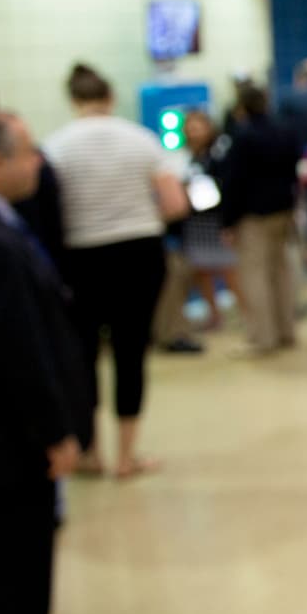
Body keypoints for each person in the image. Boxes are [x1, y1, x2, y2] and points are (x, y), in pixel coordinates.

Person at [0, 111, 95, 614]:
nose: (39, 164)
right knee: (14, 565)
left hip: (14, 436)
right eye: (28, 154)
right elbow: (17, 351)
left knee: (26, 560)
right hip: (10, 442)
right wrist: (54, 431)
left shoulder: (8, 226)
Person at [44, 63, 189, 479]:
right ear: (110, 98)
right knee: (130, 352)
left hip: (81, 257)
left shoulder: (56, 146)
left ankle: (90, 451)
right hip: (139, 254)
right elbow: (175, 203)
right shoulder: (142, 141)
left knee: (83, 355)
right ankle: (127, 455)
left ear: (73, 100)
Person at [220, 83, 301, 356]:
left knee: (255, 276)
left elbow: (234, 181)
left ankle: (264, 337)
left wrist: (227, 221)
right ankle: (286, 330)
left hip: (252, 215)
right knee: (281, 271)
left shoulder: (242, 136)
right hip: (283, 210)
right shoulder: (285, 130)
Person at [180, 110, 242, 331]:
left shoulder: (219, 152)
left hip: (217, 218)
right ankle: (214, 315)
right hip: (197, 220)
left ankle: (245, 312)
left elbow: (227, 184)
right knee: (202, 270)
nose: (194, 132)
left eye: (198, 126)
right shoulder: (188, 156)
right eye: (191, 127)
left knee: (228, 268)